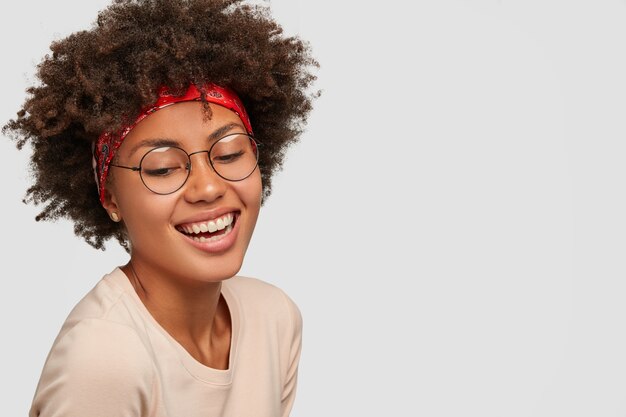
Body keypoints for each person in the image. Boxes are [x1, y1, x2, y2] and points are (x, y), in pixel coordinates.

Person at [3, 0, 318, 416]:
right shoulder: (105, 358)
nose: (208, 187)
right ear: (110, 196)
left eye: (229, 154)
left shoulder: (273, 320)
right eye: (164, 167)